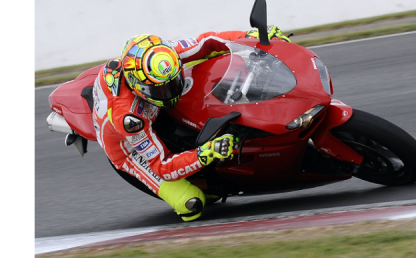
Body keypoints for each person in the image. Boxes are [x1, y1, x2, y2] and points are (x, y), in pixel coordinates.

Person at [92, 26, 291, 221]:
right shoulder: (129, 119)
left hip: (152, 110)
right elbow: (162, 166)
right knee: (192, 204)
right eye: (162, 90)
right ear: (139, 86)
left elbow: (208, 42)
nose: (171, 92)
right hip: (129, 149)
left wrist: (249, 36)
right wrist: (206, 153)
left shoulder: (163, 54)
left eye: (173, 82)